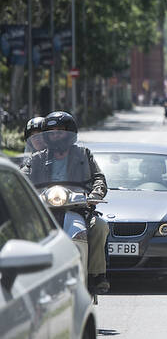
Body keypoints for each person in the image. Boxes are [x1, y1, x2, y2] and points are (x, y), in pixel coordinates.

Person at [22, 111, 110, 294]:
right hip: (44, 210)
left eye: (60, 132)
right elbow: (23, 176)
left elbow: (99, 179)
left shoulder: (84, 154)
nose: (56, 136)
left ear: (70, 133)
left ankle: (96, 275)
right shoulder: (37, 158)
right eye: (51, 133)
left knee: (100, 226)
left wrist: (95, 194)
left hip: (79, 209)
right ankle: (22, 277)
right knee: (23, 230)